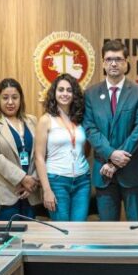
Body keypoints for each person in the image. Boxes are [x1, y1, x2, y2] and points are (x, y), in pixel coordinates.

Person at [83, 40, 138, 221]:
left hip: (133, 173)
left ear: (126, 63)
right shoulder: (90, 94)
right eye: (109, 59)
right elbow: (90, 128)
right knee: (107, 231)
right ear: (103, 63)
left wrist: (115, 162)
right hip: (104, 173)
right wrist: (111, 154)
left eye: (119, 59)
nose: (114, 63)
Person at [0, 78, 41, 221]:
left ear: (21, 99)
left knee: (29, 234)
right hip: (4, 193)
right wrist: (22, 179)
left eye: (14, 97)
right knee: (5, 234)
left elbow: (41, 153)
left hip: (30, 193)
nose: (10, 102)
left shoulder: (32, 120)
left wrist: (32, 181)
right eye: (5, 98)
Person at [34, 74, 91, 221]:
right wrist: (47, 190)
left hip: (82, 181)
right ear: (54, 93)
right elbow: (39, 157)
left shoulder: (80, 118)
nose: (65, 94)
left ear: (74, 94)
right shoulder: (46, 120)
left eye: (69, 90)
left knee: (79, 228)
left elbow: (86, 149)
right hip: (57, 181)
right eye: (60, 90)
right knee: (62, 229)